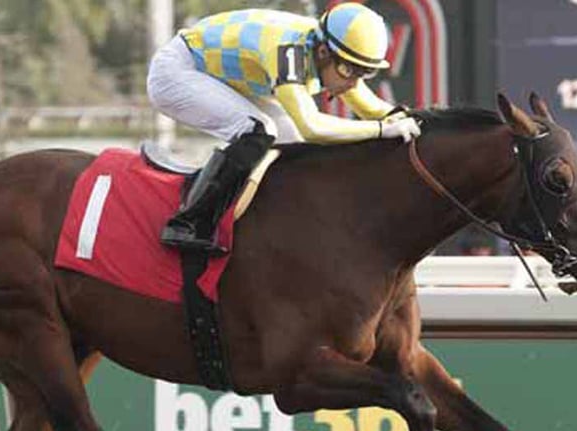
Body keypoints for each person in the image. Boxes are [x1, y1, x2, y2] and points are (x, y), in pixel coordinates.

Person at [147, 2, 422, 255]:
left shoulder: (327, 52)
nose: (353, 83)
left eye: (364, 73)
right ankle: (189, 223)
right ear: (325, 51)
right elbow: (313, 127)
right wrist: (380, 130)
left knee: (291, 140)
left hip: (220, 76)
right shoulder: (287, 51)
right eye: (350, 71)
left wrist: (411, 119)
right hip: (178, 72)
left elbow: (368, 105)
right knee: (259, 130)